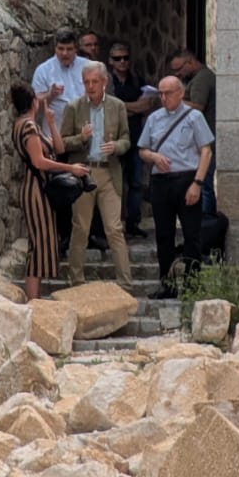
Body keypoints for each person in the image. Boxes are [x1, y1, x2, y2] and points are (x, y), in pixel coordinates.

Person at [137, 75, 215, 298]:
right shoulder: (154, 119)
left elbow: (206, 151)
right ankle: (167, 283)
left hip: (187, 179)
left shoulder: (194, 117)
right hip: (161, 181)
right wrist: (153, 156)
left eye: (168, 93)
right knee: (164, 235)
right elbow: (142, 150)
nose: (163, 98)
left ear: (180, 93)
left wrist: (197, 183)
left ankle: (192, 284)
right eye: (160, 93)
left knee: (192, 234)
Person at [11, 82, 90, 301]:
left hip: (40, 189)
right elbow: (39, 162)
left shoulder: (30, 124)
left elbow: (60, 148)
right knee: (39, 244)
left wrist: (51, 122)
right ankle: (34, 300)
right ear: (34, 102)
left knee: (43, 242)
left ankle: (35, 298)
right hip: (36, 189)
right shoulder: (27, 126)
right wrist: (70, 168)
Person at [57, 63, 133, 288]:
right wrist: (80, 137)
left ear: (104, 82)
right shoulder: (74, 107)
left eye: (95, 82)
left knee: (114, 228)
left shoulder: (117, 106)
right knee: (80, 227)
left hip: (109, 172)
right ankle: (76, 280)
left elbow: (127, 139)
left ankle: (125, 283)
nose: (90, 86)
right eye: (87, 82)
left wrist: (117, 146)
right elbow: (62, 143)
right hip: (83, 173)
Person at [106, 40, 158, 240]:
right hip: (115, 140)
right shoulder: (108, 82)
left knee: (135, 183)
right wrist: (131, 107)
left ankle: (133, 223)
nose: (122, 62)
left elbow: (145, 106)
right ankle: (114, 224)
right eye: (118, 59)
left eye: (125, 58)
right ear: (111, 61)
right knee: (114, 183)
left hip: (136, 138)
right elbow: (109, 107)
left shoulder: (138, 81)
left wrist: (123, 107)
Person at [30, 29, 90, 141]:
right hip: (55, 137)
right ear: (55, 48)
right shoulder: (43, 70)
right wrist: (50, 95)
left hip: (82, 136)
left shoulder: (88, 67)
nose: (64, 53)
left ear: (76, 49)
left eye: (69, 49)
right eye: (61, 49)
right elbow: (35, 105)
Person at [170, 47, 219, 135]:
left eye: (179, 69)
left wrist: (174, 100)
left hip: (206, 135)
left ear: (190, 62)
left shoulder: (201, 79)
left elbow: (198, 107)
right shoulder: (202, 75)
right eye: (174, 71)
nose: (177, 74)